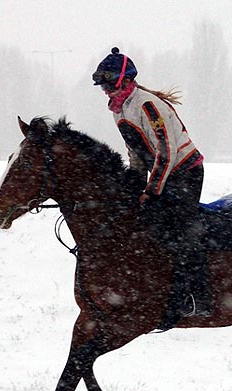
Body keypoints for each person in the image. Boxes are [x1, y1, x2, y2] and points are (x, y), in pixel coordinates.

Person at [92, 47, 212, 319]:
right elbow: (135, 153)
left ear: (124, 80)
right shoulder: (119, 111)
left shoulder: (147, 104)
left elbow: (166, 152)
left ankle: (196, 296)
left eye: (109, 84)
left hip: (184, 172)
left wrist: (151, 190)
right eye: (103, 86)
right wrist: (133, 185)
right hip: (162, 171)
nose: (106, 90)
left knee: (179, 229)